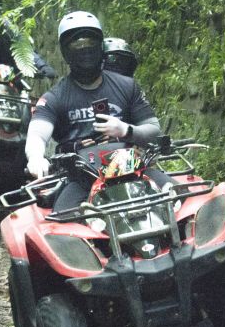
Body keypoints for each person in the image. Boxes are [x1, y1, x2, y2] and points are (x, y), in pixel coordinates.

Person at [25, 11, 166, 213]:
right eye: (77, 44)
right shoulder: (54, 97)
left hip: (134, 169)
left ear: (100, 44)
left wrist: (125, 130)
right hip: (81, 178)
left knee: (181, 199)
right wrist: (36, 158)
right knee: (62, 225)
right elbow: (38, 134)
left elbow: (153, 129)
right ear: (66, 50)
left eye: (90, 42)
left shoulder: (127, 86)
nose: (85, 49)